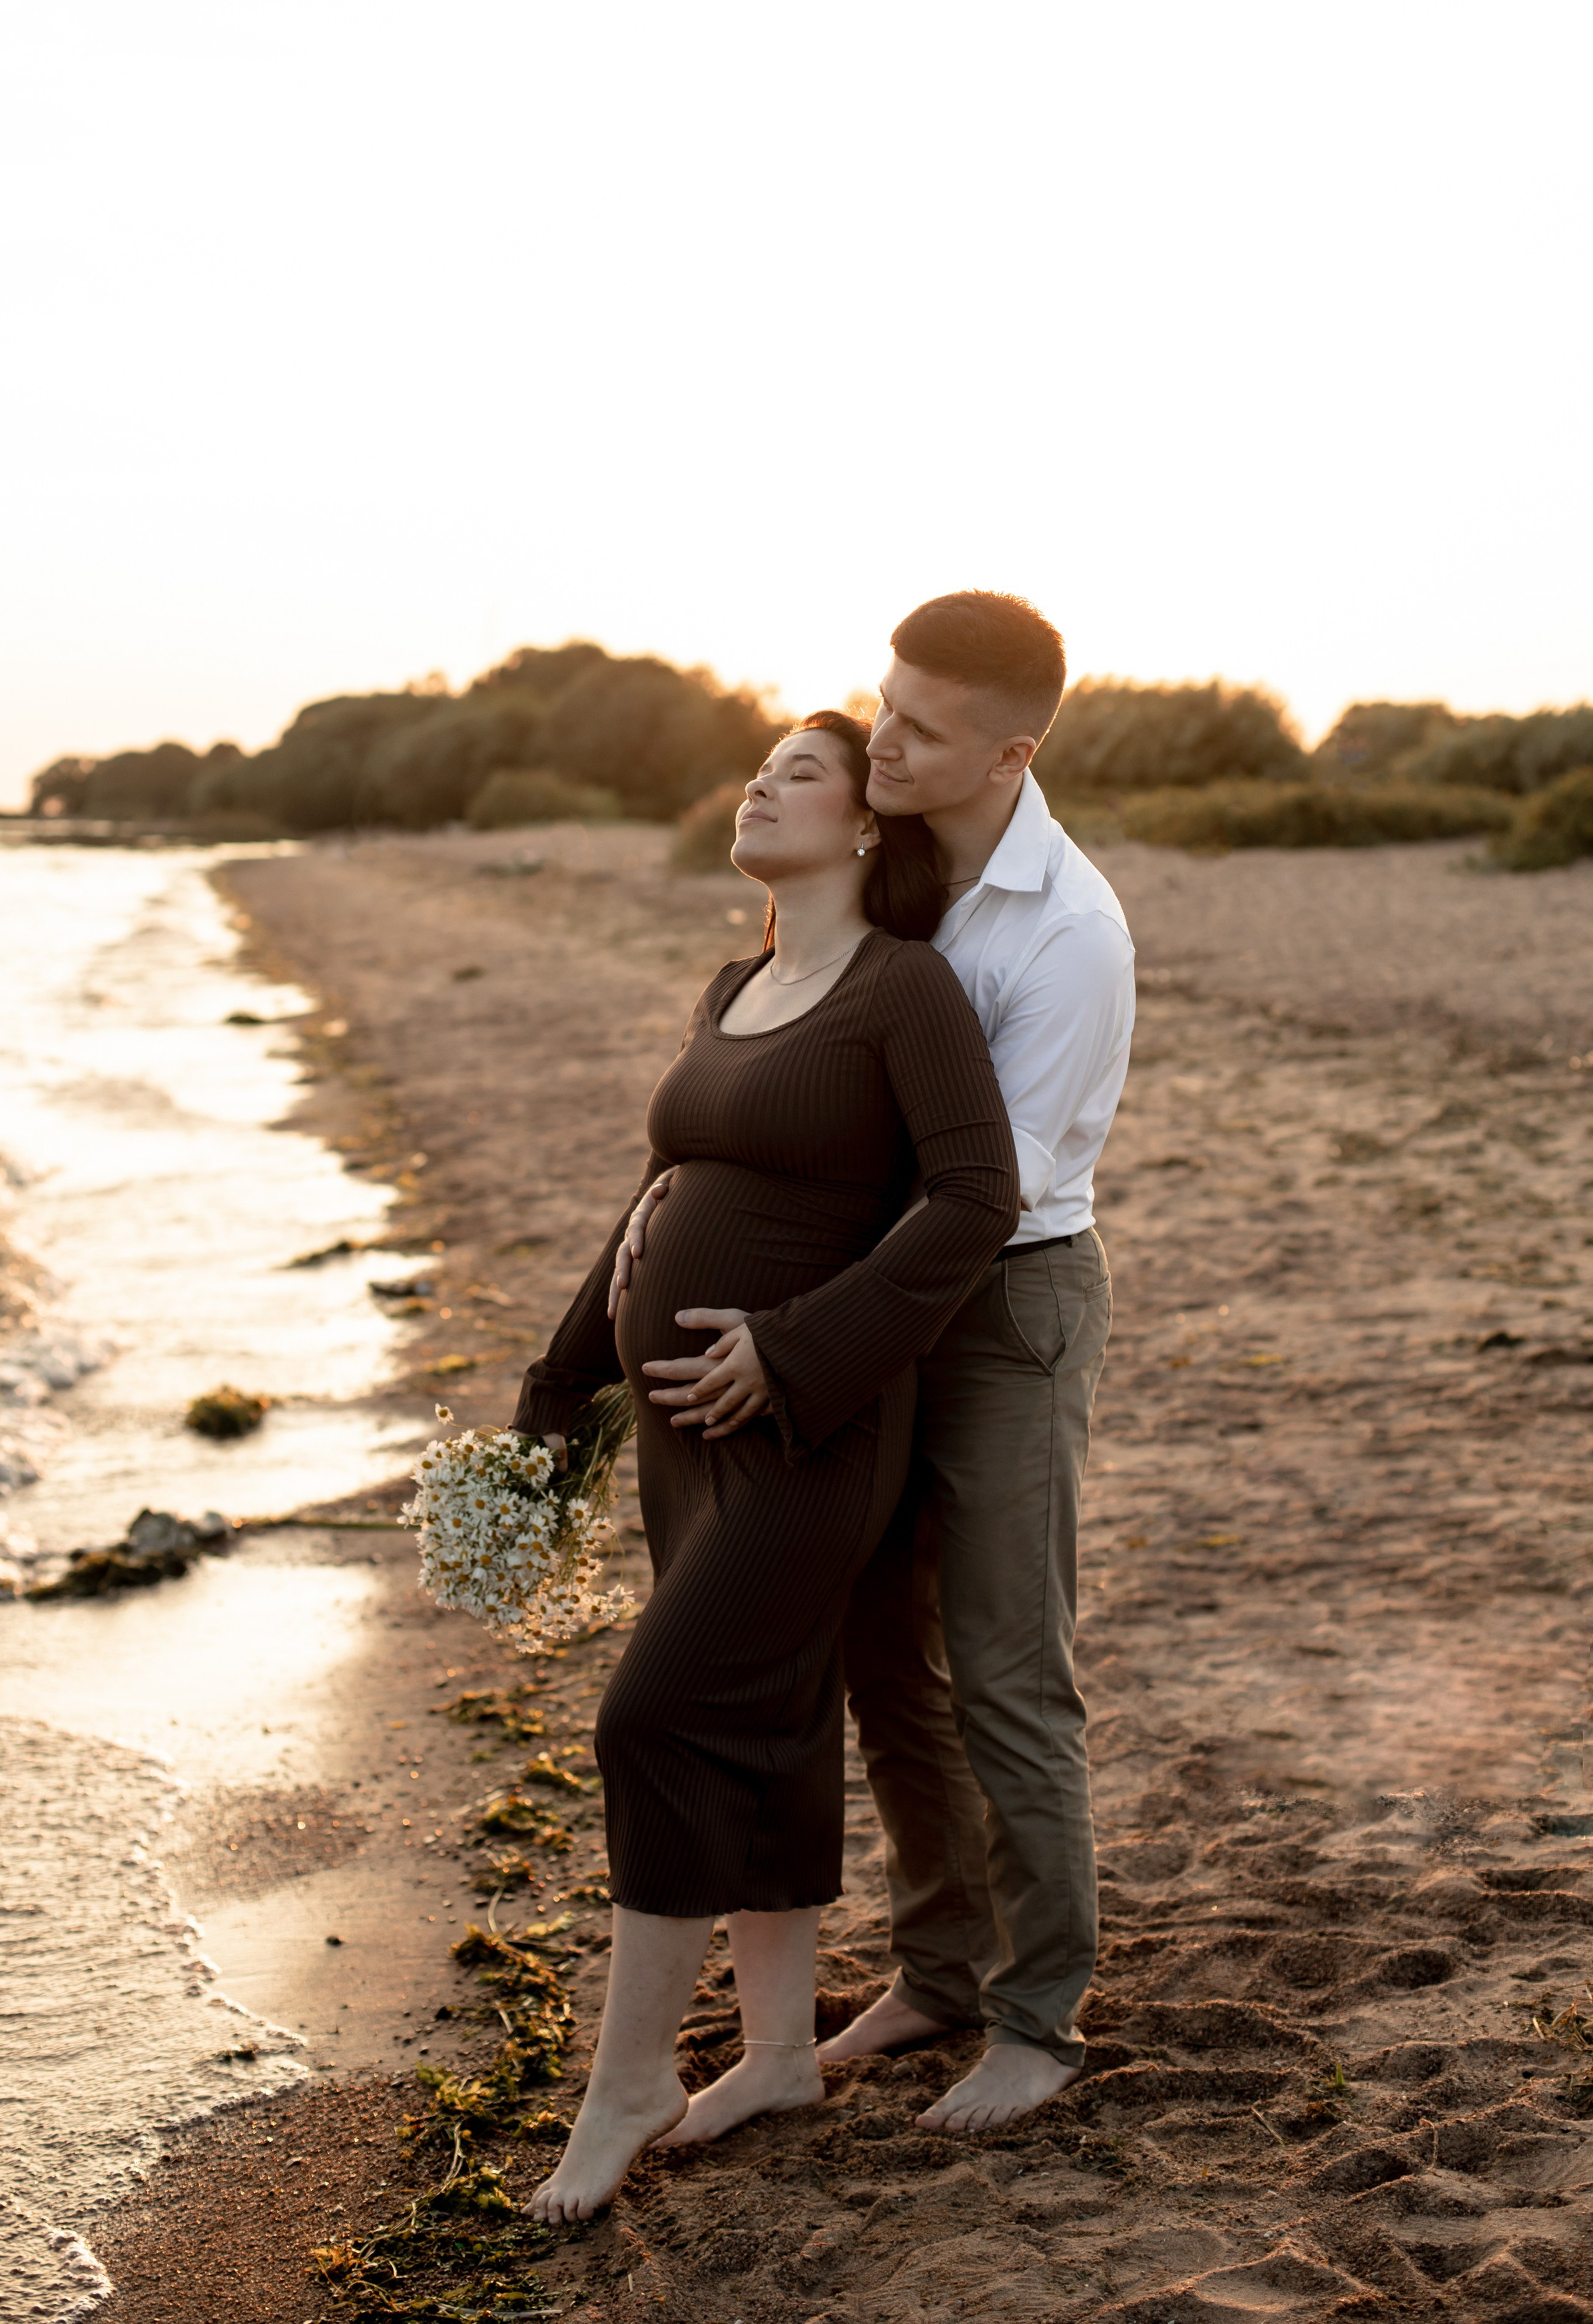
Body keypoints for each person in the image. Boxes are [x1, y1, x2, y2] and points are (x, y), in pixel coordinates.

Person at [619, 593, 1134, 2136]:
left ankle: (1036, 2021)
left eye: (918, 727)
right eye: (881, 705)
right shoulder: (894, 877)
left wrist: (798, 1332)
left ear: (1008, 753)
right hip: (866, 1299)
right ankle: (938, 1972)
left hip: (1003, 1312)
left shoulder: (1065, 931)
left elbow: (988, 1193)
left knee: (1001, 1663)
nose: (882, 739)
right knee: (872, 1654)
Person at [511, 710, 1019, 2223]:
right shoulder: (736, 983)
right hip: (681, 1430)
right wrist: (557, 1387)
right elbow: (657, 1191)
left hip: (809, 1427)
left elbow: (975, 1195)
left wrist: (791, 1349)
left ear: (867, 826)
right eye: (756, 769)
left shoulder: (902, 989)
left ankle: (627, 2085)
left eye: (798, 773)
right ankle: (779, 2051)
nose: (759, 787)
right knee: (774, 1717)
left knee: (654, 1717)